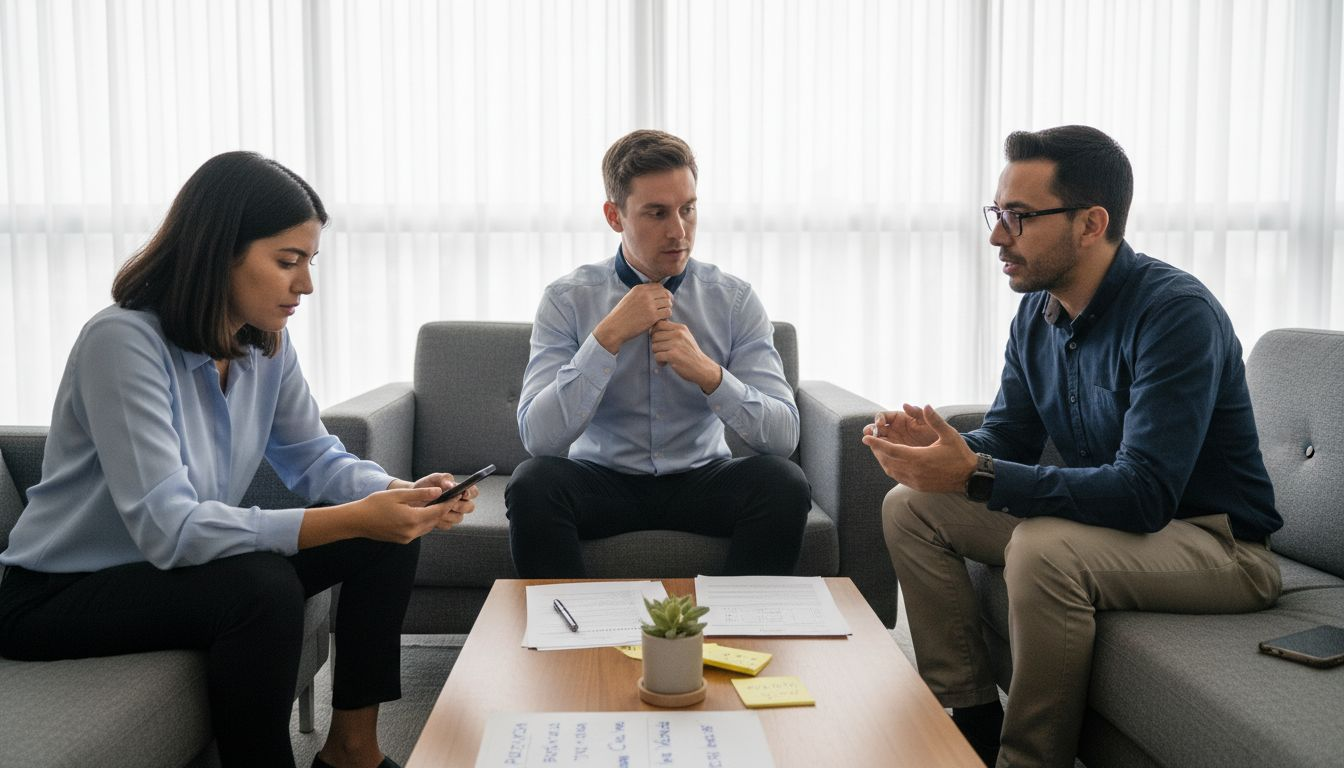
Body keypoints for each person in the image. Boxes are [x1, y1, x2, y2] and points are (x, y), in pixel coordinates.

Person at [0, 152, 478, 768]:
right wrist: (357, 515)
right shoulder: (122, 341)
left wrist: (397, 493)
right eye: (287, 261)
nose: (305, 285)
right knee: (260, 587)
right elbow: (169, 529)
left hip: (172, 572)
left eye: (309, 262)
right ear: (218, 251)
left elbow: (314, 457)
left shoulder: (264, 341)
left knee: (386, 538)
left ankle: (351, 754)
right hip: (62, 594)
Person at [863, 126, 1282, 768]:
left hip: (1217, 544)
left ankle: (1030, 760)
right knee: (910, 506)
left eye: (1020, 217)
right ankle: (970, 719)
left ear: (1091, 224)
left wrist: (975, 473)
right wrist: (945, 450)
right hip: (1118, 528)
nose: (998, 237)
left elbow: (1144, 494)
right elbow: (1008, 437)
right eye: (997, 214)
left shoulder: (1175, 314)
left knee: (1043, 548)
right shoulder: (1037, 314)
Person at [506, 129, 811, 577]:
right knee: (533, 484)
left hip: (702, 481)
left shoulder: (733, 300)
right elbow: (539, 438)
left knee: (784, 483)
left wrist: (709, 374)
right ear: (615, 216)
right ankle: (568, 623)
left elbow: (783, 437)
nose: (678, 231)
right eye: (657, 213)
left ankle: (739, 620)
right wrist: (606, 338)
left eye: (688, 209)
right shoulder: (567, 299)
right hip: (602, 483)